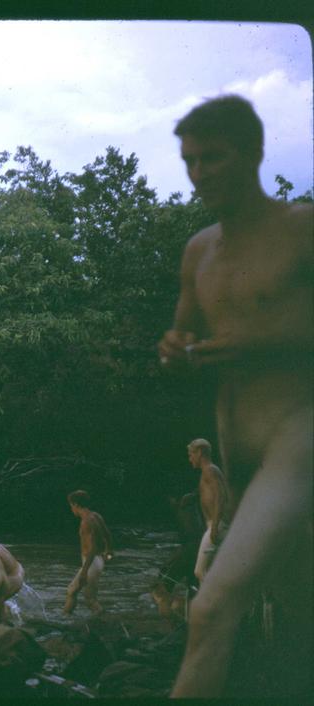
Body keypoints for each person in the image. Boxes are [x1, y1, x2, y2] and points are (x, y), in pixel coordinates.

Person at [157, 95, 312, 697]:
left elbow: (251, 338)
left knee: (211, 611)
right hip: (239, 452)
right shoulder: (198, 249)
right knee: (301, 614)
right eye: (190, 160)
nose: (199, 173)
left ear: (253, 152)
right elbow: (184, 341)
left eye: (213, 158)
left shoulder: (302, 228)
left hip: (298, 438)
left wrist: (258, 342)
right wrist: (174, 352)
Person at [186, 438, 232, 583]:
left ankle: (212, 603)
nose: (190, 459)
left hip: (217, 525)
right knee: (211, 570)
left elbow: (221, 496)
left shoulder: (210, 470)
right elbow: (209, 493)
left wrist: (214, 526)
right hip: (215, 524)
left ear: (199, 453)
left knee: (200, 571)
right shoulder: (208, 471)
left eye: (191, 454)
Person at [62, 490, 114, 616]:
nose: (71, 509)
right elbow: (108, 535)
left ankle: (102, 621)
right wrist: (109, 552)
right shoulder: (96, 516)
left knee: (89, 599)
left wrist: (84, 572)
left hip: (91, 563)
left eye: (71, 506)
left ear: (75, 504)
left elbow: (92, 548)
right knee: (72, 591)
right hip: (97, 560)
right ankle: (66, 617)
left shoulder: (86, 522)